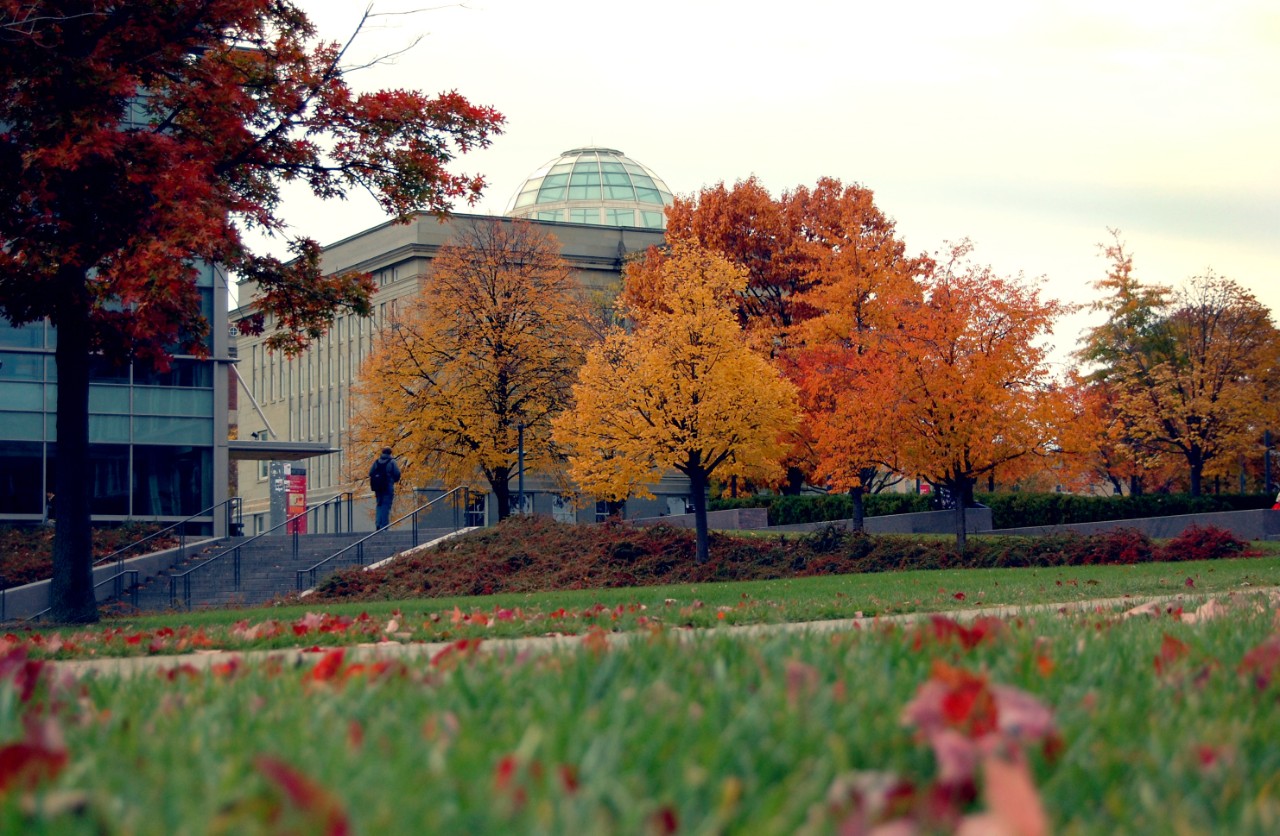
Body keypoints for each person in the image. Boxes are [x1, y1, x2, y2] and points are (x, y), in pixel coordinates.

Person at [369, 447, 402, 530]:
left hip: (378, 488)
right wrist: (392, 480)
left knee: (379, 505)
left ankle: (378, 523)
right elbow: (397, 474)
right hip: (387, 487)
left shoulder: (376, 462)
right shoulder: (391, 462)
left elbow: (370, 473)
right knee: (386, 506)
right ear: (390, 453)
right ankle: (384, 526)